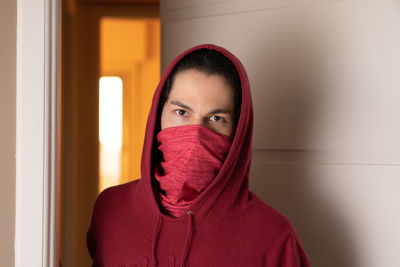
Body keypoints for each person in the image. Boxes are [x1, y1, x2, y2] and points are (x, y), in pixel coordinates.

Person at [87, 44, 310, 267]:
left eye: (216, 118)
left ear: (238, 131)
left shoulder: (274, 237)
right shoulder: (110, 208)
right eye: (182, 112)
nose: (196, 134)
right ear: (158, 116)